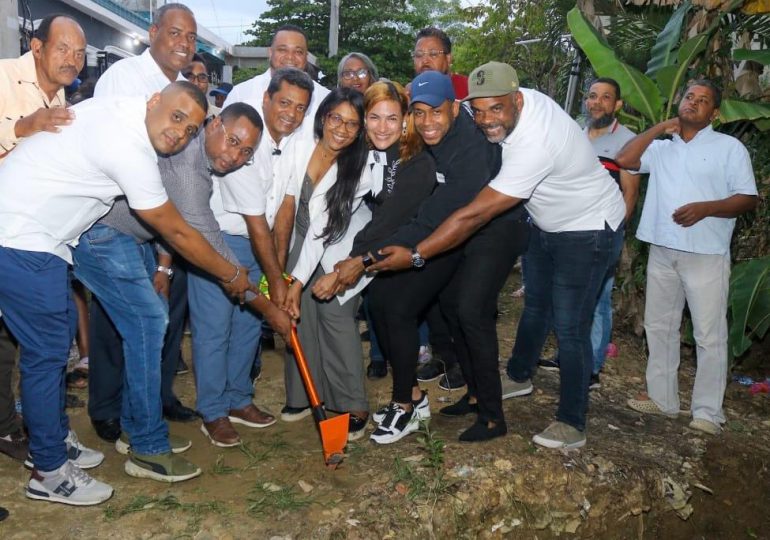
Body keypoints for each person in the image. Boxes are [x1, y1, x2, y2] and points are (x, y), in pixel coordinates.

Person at [371, 62, 626, 449]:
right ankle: (507, 382)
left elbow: (475, 213)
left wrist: (417, 255)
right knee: (531, 308)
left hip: (589, 227)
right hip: (545, 221)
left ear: (517, 100)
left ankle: (571, 422)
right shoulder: (509, 108)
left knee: (569, 326)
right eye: (480, 109)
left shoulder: (533, 144)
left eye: (497, 109)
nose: (487, 119)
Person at [0, 81, 216, 504]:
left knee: (57, 341)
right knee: (46, 356)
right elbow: (173, 228)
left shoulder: (121, 109)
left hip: (39, 237)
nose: (181, 133)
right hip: (23, 236)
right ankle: (48, 470)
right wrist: (235, 279)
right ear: (154, 100)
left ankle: (55, 438)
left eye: (191, 129)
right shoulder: (129, 145)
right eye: (177, 117)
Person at [344, 71, 527, 444]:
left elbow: (438, 215)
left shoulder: (471, 149)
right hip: (452, 228)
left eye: (437, 112)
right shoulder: (423, 140)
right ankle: (471, 394)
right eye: (420, 113)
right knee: (441, 307)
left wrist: (391, 256)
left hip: (494, 227)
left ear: (455, 109)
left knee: (472, 311)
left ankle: (493, 416)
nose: (428, 122)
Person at [618, 80, 757, 435]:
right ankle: (662, 399)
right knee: (659, 326)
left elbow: (747, 199)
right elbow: (625, 159)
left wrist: (706, 209)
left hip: (706, 253)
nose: (692, 103)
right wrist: (660, 128)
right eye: (688, 97)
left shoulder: (729, 148)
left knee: (709, 335)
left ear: (714, 113)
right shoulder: (663, 147)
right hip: (662, 249)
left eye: (703, 100)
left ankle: (708, 412)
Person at [89, 2, 199, 444]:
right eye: (175, 33)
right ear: (153, 32)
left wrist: (167, 255)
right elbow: (111, 147)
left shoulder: (187, 88)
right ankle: (107, 406)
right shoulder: (125, 78)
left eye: (190, 37)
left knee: (168, 313)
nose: (184, 44)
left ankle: (157, 397)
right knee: (118, 317)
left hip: (164, 221)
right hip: (118, 218)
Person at [190, 71, 312, 447]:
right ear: (267, 99)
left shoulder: (292, 145)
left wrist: (278, 270)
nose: (291, 113)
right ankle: (212, 411)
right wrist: (275, 284)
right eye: (284, 102)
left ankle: (239, 399)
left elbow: (286, 208)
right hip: (221, 245)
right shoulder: (245, 147)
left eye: (300, 108)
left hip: (265, 252)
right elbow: (256, 223)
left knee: (247, 329)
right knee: (215, 330)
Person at [313, 80, 437, 433]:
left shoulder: (416, 161)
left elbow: (390, 218)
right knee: (380, 311)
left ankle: (404, 405)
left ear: (405, 121)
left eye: (392, 118)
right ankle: (414, 396)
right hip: (386, 243)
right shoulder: (364, 152)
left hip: (423, 247)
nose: (383, 126)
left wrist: (350, 264)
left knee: (394, 312)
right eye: (374, 117)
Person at [0, 14, 86, 465]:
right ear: (36, 46)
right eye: (63, 49)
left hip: (23, 236)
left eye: (79, 53)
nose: (72, 59)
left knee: (16, 346)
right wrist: (21, 127)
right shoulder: (2, 77)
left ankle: (20, 427)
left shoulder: (63, 95)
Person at [281, 88, 372, 441]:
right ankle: (304, 396)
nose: (343, 129)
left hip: (337, 249)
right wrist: (287, 276)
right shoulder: (299, 146)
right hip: (297, 242)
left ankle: (354, 405)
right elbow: (284, 202)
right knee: (298, 319)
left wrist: (298, 279)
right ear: (323, 118)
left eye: (353, 123)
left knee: (336, 319)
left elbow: (324, 227)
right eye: (337, 118)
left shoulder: (359, 165)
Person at [538, 77, 641, 387]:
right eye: (593, 96)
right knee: (566, 299)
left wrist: (615, 231)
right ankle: (567, 357)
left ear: (618, 105)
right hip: (567, 232)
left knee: (597, 301)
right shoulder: (576, 135)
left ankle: (592, 368)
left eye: (606, 97)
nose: (597, 102)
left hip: (601, 235)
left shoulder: (627, 140)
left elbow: (630, 192)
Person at [225, 24, 330, 134]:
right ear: (270, 53)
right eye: (282, 50)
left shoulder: (324, 98)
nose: (290, 57)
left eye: (298, 52)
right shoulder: (241, 94)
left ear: (306, 57)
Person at [412, 27, 468, 99]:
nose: (425, 60)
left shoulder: (468, 88)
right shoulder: (410, 93)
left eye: (433, 54)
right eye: (419, 55)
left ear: (448, 59)